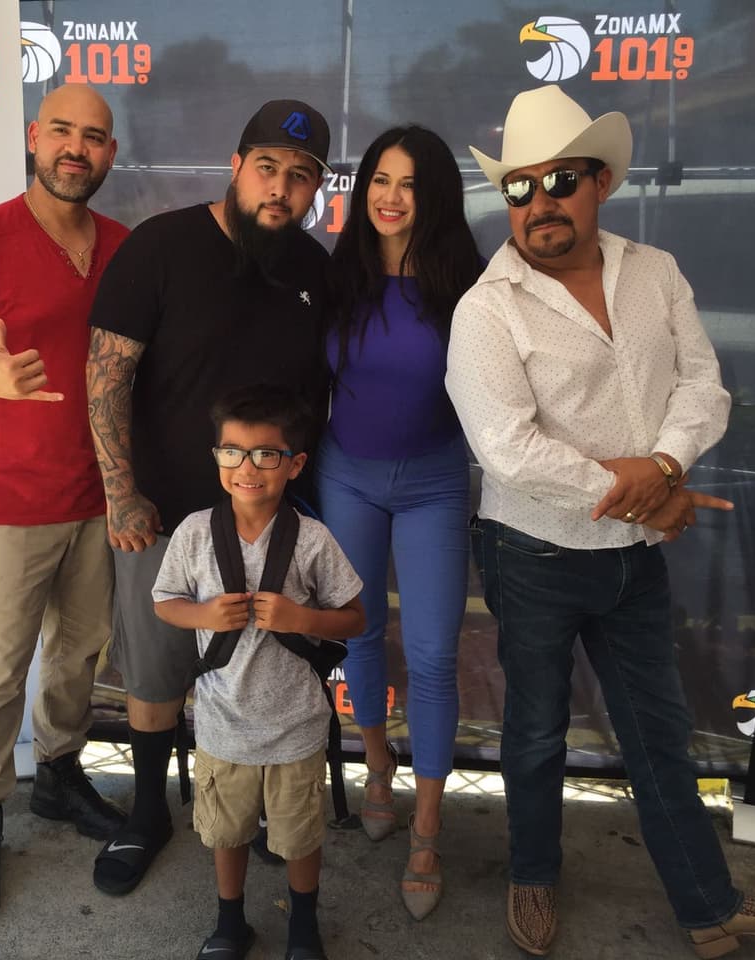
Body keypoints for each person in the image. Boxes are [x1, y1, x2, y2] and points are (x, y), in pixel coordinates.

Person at [446, 84, 755, 957]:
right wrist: (647, 487)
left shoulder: (655, 274)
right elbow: (508, 451)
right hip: (531, 554)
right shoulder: (485, 310)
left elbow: (703, 387)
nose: (538, 203)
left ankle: (709, 907)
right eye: (519, 188)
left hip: (634, 553)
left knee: (657, 736)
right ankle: (532, 879)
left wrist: (660, 471)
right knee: (536, 734)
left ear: (603, 180)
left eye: (560, 180)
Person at [86, 98, 334, 897]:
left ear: (316, 189)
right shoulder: (162, 246)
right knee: (156, 676)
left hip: (272, 528)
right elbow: (107, 374)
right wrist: (122, 495)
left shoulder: (314, 272)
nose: (280, 189)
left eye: (301, 177)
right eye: (267, 167)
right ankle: (147, 815)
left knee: (261, 677)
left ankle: (254, 809)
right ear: (235, 166)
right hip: (163, 514)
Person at [0, 84, 130, 923]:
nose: (78, 150)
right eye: (64, 134)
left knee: (80, 651)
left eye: (96, 138)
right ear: (35, 139)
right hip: (4, 500)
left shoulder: (122, 246)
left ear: (111, 154)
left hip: (97, 492)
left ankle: (59, 776)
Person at [315, 124, 484, 920]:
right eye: (380, 178)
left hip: (434, 486)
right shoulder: (338, 273)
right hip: (345, 474)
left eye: (409, 183)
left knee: (433, 652)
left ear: (436, 195)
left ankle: (425, 830)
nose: (389, 196)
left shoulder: (468, 284)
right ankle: (375, 763)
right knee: (356, 632)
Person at [152, 385, 364, 960]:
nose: (248, 468)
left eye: (266, 454)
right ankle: (229, 922)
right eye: (232, 452)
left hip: (296, 723)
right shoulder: (196, 532)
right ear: (216, 456)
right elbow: (165, 601)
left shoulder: (312, 539)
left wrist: (304, 617)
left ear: (294, 464)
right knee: (227, 832)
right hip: (223, 722)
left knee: (298, 836)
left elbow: (355, 618)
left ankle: (303, 925)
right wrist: (202, 613)